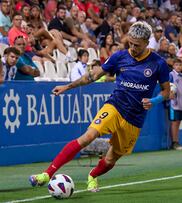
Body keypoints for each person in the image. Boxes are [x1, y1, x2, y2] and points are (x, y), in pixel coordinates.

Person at [29, 21, 170, 192]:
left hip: (135, 118)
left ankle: (93, 176)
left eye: (137, 45)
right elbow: (93, 76)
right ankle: (46, 174)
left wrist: (153, 101)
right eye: (130, 43)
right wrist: (67, 87)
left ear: (147, 43)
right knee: (88, 137)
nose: (132, 47)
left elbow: (166, 92)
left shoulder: (158, 63)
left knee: (111, 159)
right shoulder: (120, 56)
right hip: (115, 106)